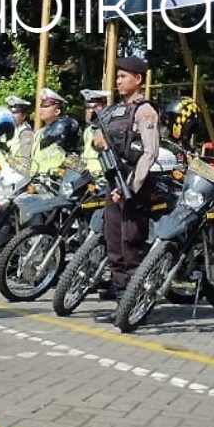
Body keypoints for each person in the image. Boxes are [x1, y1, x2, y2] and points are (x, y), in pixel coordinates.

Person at [97, 57, 159, 303]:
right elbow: (101, 140)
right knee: (113, 241)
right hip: (114, 181)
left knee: (130, 242)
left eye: (123, 76)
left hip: (134, 187)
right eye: (118, 76)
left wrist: (129, 187)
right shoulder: (114, 111)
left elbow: (149, 153)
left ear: (138, 79)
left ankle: (135, 297)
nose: (118, 81)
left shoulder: (145, 111)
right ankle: (121, 290)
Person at [80, 89, 109, 166]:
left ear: (105, 107)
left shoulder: (108, 127)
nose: (91, 111)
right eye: (88, 107)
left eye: (95, 107)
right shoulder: (88, 130)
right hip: (88, 173)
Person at [5, 96, 34, 161]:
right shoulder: (9, 130)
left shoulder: (26, 133)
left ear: (23, 115)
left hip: (15, 170)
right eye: (10, 112)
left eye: (15, 113)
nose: (11, 115)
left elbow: (26, 160)